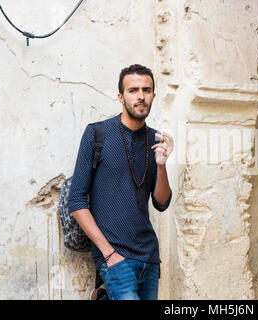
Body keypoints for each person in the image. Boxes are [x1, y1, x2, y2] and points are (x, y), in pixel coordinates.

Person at [68, 64, 173, 300]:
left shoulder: (156, 139)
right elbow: (76, 201)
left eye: (147, 90)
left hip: (149, 258)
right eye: (133, 90)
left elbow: (161, 203)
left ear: (153, 95)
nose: (141, 96)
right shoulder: (97, 134)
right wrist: (108, 254)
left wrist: (162, 164)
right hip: (116, 258)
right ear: (120, 96)